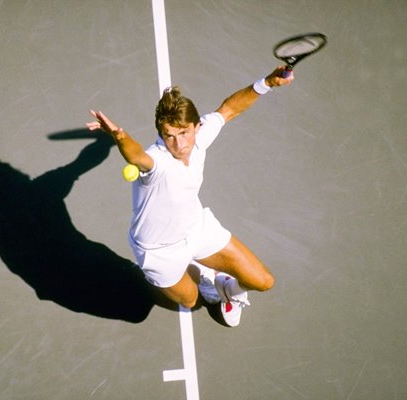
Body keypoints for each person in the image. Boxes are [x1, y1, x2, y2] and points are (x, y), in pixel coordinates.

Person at [87, 66, 293, 327]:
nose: (178, 144)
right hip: (158, 251)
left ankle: (228, 290)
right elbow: (136, 156)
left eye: (184, 133)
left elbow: (230, 109)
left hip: (195, 228)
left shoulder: (200, 137)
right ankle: (204, 276)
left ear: (197, 127)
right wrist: (119, 135)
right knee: (189, 300)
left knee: (263, 281)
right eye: (169, 136)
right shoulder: (157, 161)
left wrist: (267, 83)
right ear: (162, 135)